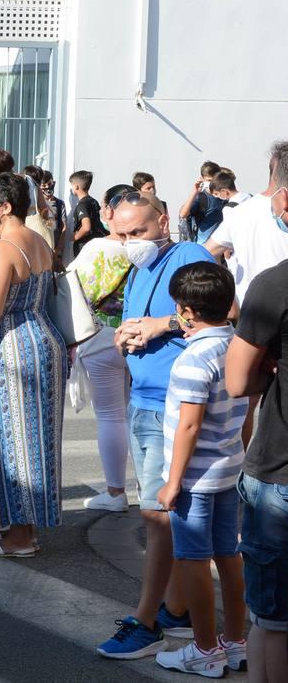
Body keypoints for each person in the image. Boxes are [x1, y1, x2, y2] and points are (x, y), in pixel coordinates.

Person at [97, 190, 214, 659]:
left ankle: (147, 620)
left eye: (138, 232)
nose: (130, 242)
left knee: (158, 517)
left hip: (172, 403)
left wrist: (160, 324)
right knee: (160, 514)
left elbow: (217, 312)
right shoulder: (141, 264)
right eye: (121, 234)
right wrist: (127, 334)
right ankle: (175, 610)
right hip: (144, 400)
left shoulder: (188, 253)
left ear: (163, 221)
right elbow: (138, 320)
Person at [0, 173, 68, 559]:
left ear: (4, 207)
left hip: (13, 346)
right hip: (43, 339)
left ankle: (20, 536)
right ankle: (26, 528)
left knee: (16, 442)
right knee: (35, 440)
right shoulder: (37, 240)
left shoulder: (4, 249)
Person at [154, 263, 247, 677]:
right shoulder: (236, 345)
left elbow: (189, 424)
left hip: (196, 477)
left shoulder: (195, 358)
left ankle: (205, 649)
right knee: (229, 555)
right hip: (229, 468)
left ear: (185, 310)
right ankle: (236, 640)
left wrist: (173, 482)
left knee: (192, 558)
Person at [225, 250, 288, 682]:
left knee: (273, 620)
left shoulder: (275, 284)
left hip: (281, 470)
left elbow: (237, 381)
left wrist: (271, 371)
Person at [67, 184, 138, 513]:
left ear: (110, 210)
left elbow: (72, 287)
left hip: (98, 339)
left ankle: (115, 493)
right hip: (139, 338)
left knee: (110, 416)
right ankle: (147, 486)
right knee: (135, 415)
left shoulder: (97, 247)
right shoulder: (147, 248)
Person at [207, 141, 288, 308]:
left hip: (249, 312)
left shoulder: (239, 212)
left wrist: (226, 292)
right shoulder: (238, 210)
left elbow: (206, 252)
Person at [178, 161, 228, 245]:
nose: (212, 183)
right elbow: (183, 214)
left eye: (214, 180)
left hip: (222, 246)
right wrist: (194, 192)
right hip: (204, 245)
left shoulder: (225, 196)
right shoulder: (201, 197)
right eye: (209, 180)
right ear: (202, 179)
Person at [70, 170, 105, 252]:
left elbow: (86, 227)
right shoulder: (94, 201)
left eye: (71, 185)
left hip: (86, 247)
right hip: (97, 244)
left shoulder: (82, 205)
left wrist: (75, 237)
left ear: (76, 187)